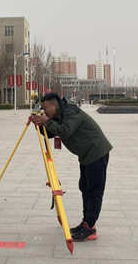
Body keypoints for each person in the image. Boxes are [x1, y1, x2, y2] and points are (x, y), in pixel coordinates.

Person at [29, 92, 112, 241]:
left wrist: (46, 121)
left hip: (96, 152)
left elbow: (65, 131)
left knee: (93, 191)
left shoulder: (70, 111)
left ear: (55, 105)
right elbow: (51, 133)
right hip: (86, 155)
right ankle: (86, 223)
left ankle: (90, 228)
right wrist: (38, 124)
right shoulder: (59, 114)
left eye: (45, 108)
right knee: (85, 188)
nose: (44, 111)